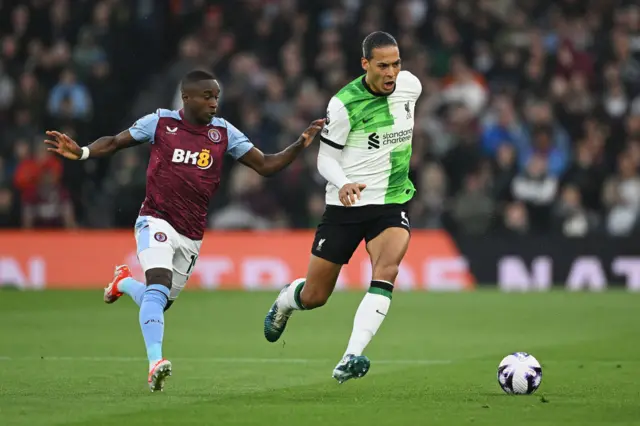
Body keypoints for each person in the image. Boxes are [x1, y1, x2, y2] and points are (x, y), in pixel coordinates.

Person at [44, 70, 324, 392]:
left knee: (158, 301)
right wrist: (83, 152)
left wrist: (300, 144)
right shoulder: (161, 123)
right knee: (159, 285)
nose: (214, 103)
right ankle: (155, 363)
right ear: (187, 98)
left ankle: (123, 282)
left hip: (191, 234)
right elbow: (117, 142)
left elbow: (266, 165)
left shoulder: (224, 133)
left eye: (216, 97)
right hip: (155, 219)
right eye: (207, 97)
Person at [263, 32, 422, 383]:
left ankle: (351, 356)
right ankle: (287, 301)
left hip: (390, 201)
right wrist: (343, 182)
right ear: (365, 64)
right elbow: (325, 158)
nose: (391, 72)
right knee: (316, 295)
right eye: (383, 65)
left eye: (396, 63)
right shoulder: (344, 104)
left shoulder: (411, 86)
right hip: (345, 206)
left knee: (387, 270)